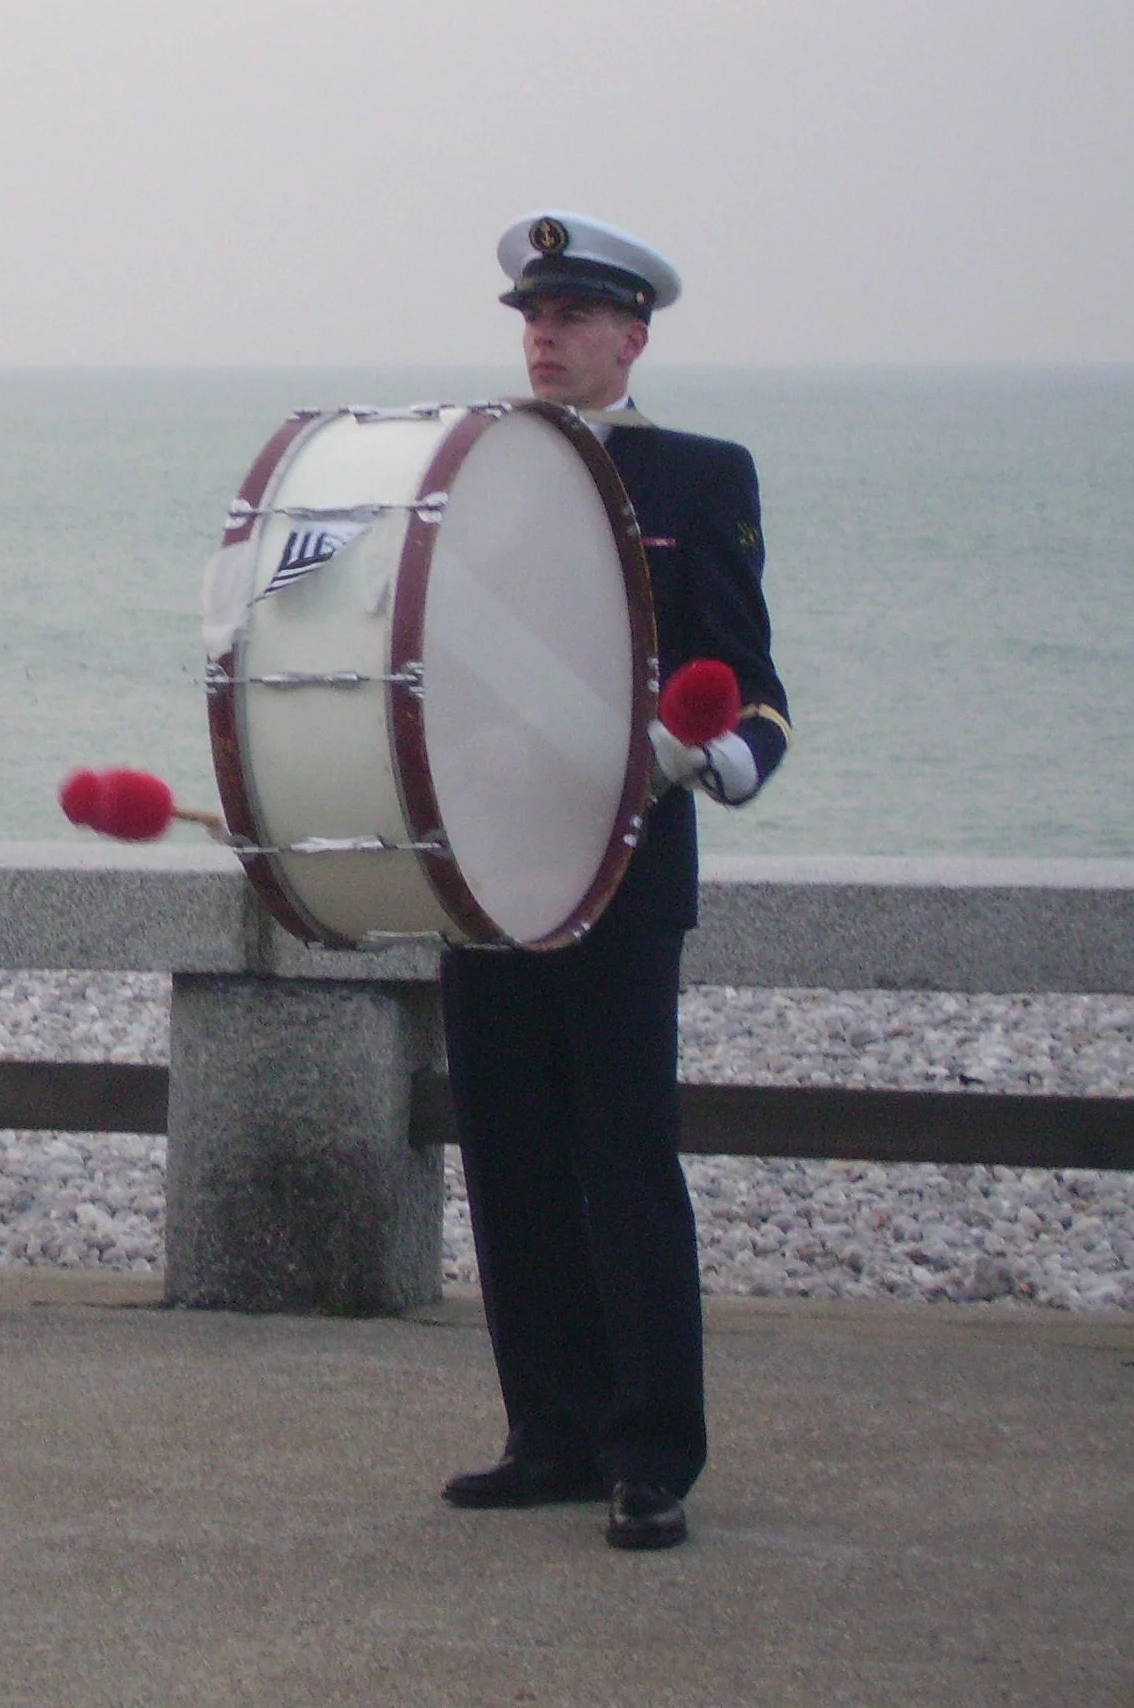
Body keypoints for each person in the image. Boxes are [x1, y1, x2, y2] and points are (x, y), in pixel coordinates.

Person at [438, 212, 790, 1551]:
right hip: (485, 862)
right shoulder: (468, 473)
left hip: (629, 873)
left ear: (633, 339)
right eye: (534, 317)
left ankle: (650, 1456)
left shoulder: (701, 477)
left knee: (624, 1158)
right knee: (513, 1158)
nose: (545, 337)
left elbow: (752, 686)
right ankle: (552, 1435)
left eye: (575, 319)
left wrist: (709, 757)